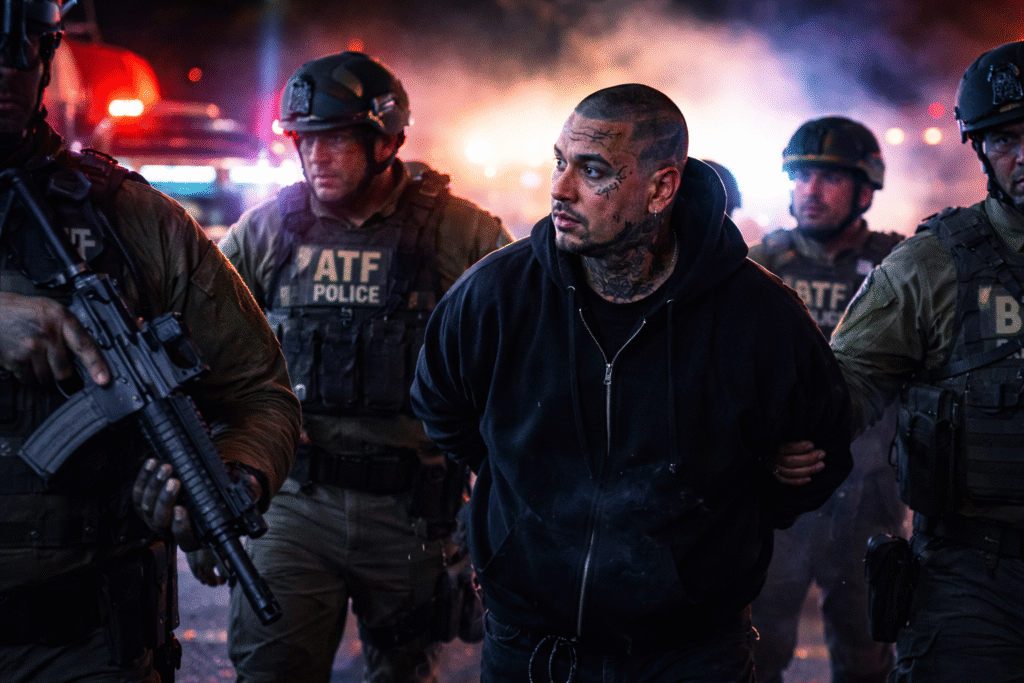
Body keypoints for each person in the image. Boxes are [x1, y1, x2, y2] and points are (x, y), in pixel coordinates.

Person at [410, 83, 853, 683]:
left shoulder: (758, 316)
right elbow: (441, 407)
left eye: (592, 171)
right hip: (529, 647)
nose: (560, 189)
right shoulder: (496, 296)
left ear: (661, 189)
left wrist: (725, 521)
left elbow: (819, 448)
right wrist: (520, 488)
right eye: (560, 162)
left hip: (692, 654)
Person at [0, 2, 301, 682]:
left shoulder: (133, 218)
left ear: (47, 57)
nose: (2, 70)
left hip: (82, 645)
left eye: (17, 48)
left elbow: (260, 393)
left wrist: (231, 479)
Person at [208, 51, 511, 683]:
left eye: (337, 139)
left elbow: (526, 362)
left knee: (406, 673)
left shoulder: (460, 233)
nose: (317, 155)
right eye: (306, 140)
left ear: (386, 141)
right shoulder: (269, 232)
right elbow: (201, 346)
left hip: (413, 508)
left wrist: (495, 504)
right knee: (272, 670)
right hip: (293, 503)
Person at [775, 40, 1024, 682]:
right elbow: (846, 390)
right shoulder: (930, 265)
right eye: (1006, 139)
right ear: (981, 149)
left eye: (830, 176)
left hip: (875, 504)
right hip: (974, 567)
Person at [747, 117, 905, 683]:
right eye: (801, 176)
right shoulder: (756, 266)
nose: (811, 190)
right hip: (778, 496)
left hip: (870, 497)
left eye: (829, 178)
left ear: (864, 191)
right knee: (756, 650)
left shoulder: (899, 267)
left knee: (867, 655)